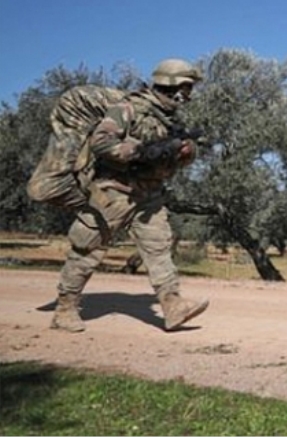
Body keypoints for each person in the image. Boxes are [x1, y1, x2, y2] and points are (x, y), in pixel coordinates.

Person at [50, 59, 210, 333]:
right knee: (87, 249)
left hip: (149, 196)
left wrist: (184, 153)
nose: (188, 94)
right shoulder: (128, 109)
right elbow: (101, 143)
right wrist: (141, 151)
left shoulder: (171, 120)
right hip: (114, 191)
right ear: (171, 85)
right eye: (186, 87)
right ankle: (65, 309)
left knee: (158, 249)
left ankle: (172, 306)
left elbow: (174, 159)